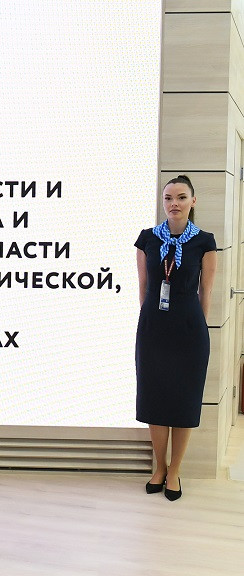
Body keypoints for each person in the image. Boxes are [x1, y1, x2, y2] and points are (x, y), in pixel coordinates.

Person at [135, 174, 217, 501]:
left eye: (181, 197)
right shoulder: (147, 239)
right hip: (154, 328)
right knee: (155, 399)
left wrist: (198, 328)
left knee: (184, 402)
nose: (174, 203)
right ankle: (159, 467)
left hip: (189, 331)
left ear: (193, 202)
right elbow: (143, 288)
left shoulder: (204, 242)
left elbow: (206, 292)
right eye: (168, 198)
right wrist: (151, 321)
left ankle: (175, 471)